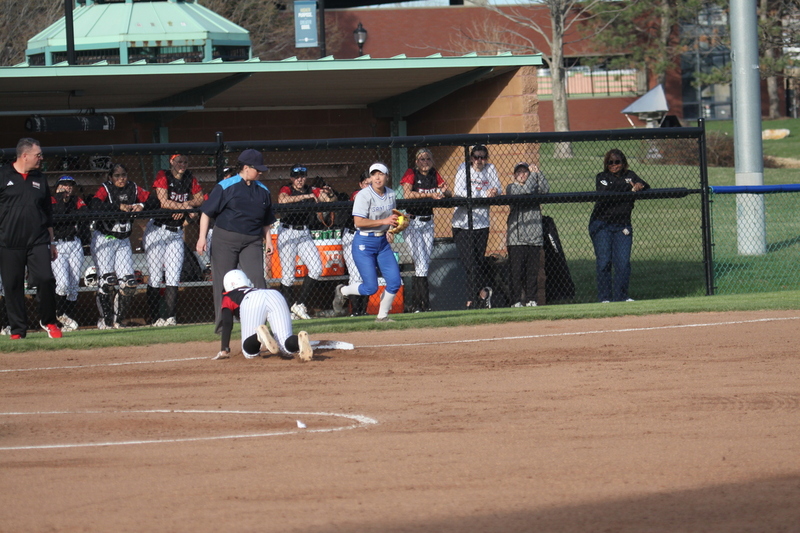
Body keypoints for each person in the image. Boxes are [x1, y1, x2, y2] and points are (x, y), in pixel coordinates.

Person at [196, 149, 275, 334]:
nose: (260, 172)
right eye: (257, 169)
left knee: (257, 280)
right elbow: (206, 212)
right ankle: (223, 327)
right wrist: (201, 238)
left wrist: (269, 240)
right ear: (246, 168)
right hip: (225, 240)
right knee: (222, 282)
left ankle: (260, 326)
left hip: (252, 241)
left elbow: (266, 221)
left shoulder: (263, 190)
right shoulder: (226, 186)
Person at [0, 138, 62, 339]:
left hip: (38, 240)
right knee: (12, 285)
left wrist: (51, 242)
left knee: (46, 278)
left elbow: (47, 213)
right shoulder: (3, 175)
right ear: (25, 156)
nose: (41, 158)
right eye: (38, 155)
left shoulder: (40, 178)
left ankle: (49, 322)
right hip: (9, 242)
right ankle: (18, 330)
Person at [332, 163, 402, 323]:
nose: (377, 177)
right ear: (370, 177)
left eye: (381, 174)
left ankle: (382, 317)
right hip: (364, 242)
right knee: (371, 287)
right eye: (374, 174)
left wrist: (392, 229)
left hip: (382, 243)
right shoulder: (363, 195)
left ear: (387, 176)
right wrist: (384, 221)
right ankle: (343, 291)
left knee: (394, 282)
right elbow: (358, 222)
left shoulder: (391, 194)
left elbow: (391, 217)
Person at [143, 154, 204, 327]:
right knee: (155, 276)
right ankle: (156, 318)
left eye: (185, 161)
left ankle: (170, 317)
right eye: (179, 161)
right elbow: (163, 201)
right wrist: (185, 207)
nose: (182, 165)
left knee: (173, 276)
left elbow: (200, 198)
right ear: (171, 162)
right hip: (157, 230)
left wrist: (184, 206)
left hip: (176, 232)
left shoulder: (190, 177)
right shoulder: (163, 175)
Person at [89, 163, 152, 329]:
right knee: (107, 281)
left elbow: (153, 199)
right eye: (117, 176)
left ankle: (118, 319)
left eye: (123, 175)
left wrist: (142, 205)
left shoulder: (133, 188)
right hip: (105, 238)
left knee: (129, 283)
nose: (121, 179)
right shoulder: (106, 188)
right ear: (110, 177)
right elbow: (95, 204)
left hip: (123, 240)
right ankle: (105, 320)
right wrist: (118, 207)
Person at [589, 148, 650, 303]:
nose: (614, 165)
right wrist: (629, 188)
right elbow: (607, 190)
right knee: (604, 262)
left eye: (617, 162)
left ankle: (621, 297)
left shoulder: (630, 175)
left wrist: (639, 185)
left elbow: (645, 185)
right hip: (602, 224)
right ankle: (605, 298)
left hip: (622, 225)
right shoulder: (602, 177)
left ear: (623, 163)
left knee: (623, 263)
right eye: (610, 162)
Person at [215, 269, 312, 362]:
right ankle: (298, 342)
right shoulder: (253, 289)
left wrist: (224, 349)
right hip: (274, 295)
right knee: (285, 347)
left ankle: (258, 337)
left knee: (249, 354)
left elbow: (227, 323)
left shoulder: (228, 296)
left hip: (251, 299)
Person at [276, 165, 330, 320]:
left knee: (316, 268)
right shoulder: (287, 188)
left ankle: (299, 304)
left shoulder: (311, 189)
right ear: (291, 178)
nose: (299, 179)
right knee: (288, 275)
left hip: (304, 232)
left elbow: (327, 199)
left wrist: (328, 193)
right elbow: (282, 200)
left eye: (302, 176)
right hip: (287, 232)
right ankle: (287, 312)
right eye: (296, 176)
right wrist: (305, 197)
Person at [400, 148, 450, 313]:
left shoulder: (434, 173)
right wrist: (430, 195)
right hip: (413, 222)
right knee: (421, 262)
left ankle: (417, 305)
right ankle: (425, 304)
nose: (425, 162)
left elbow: (446, 190)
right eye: (422, 159)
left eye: (428, 159)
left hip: (428, 222)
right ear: (417, 161)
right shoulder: (411, 172)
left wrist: (443, 192)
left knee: (423, 264)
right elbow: (407, 194)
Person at [451, 144, 501, 309]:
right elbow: (459, 191)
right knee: (470, 263)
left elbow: (498, 188)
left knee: (477, 262)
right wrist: (483, 194)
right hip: (462, 224)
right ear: (471, 158)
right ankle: (482, 292)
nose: (479, 160)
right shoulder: (463, 169)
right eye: (476, 157)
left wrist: (494, 192)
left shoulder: (490, 169)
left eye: (483, 157)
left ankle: (472, 300)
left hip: (482, 223)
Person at [505, 162, 550, 307]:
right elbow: (525, 192)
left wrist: (538, 174)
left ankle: (532, 299)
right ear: (514, 175)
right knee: (516, 271)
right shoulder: (512, 188)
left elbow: (546, 189)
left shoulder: (534, 186)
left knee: (532, 272)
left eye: (525, 172)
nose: (522, 175)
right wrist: (533, 177)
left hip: (534, 235)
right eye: (519, 172)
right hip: (516, 238)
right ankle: (516, 300)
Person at [51, 175, 88, 331]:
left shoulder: (76, 200)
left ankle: (68, 319)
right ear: (58, 187)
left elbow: (85, 213)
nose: (68, 187)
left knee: (73, 285)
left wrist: (70, 214)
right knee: (63, 284)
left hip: (74, 243)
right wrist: (61, 199)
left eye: (70, 185)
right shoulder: (52, 199)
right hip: (57, 244)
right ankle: (59, 313)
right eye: (64, 184)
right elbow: (55, 215)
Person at [338, 171, 371, 317]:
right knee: (355, 274)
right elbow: (359, 198)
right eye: (366, 184)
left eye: (371, 184)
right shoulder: (357, 194)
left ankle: (363, 311)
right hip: (352, 236)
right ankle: (355, 311)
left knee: (367, 274)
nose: (369, 187)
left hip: (368, 237)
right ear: (361, 184)